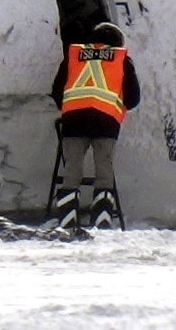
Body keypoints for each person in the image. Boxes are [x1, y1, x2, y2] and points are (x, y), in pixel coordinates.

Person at [49, 21, 140, 230]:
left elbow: (56, 89)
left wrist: (69, 106)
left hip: (73, 121)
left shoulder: (74, 56)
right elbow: (133, 98)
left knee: (72, 169)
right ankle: (102, 219)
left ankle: (67, 220)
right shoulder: (122, 59)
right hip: (106, 122)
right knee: (104, 170)